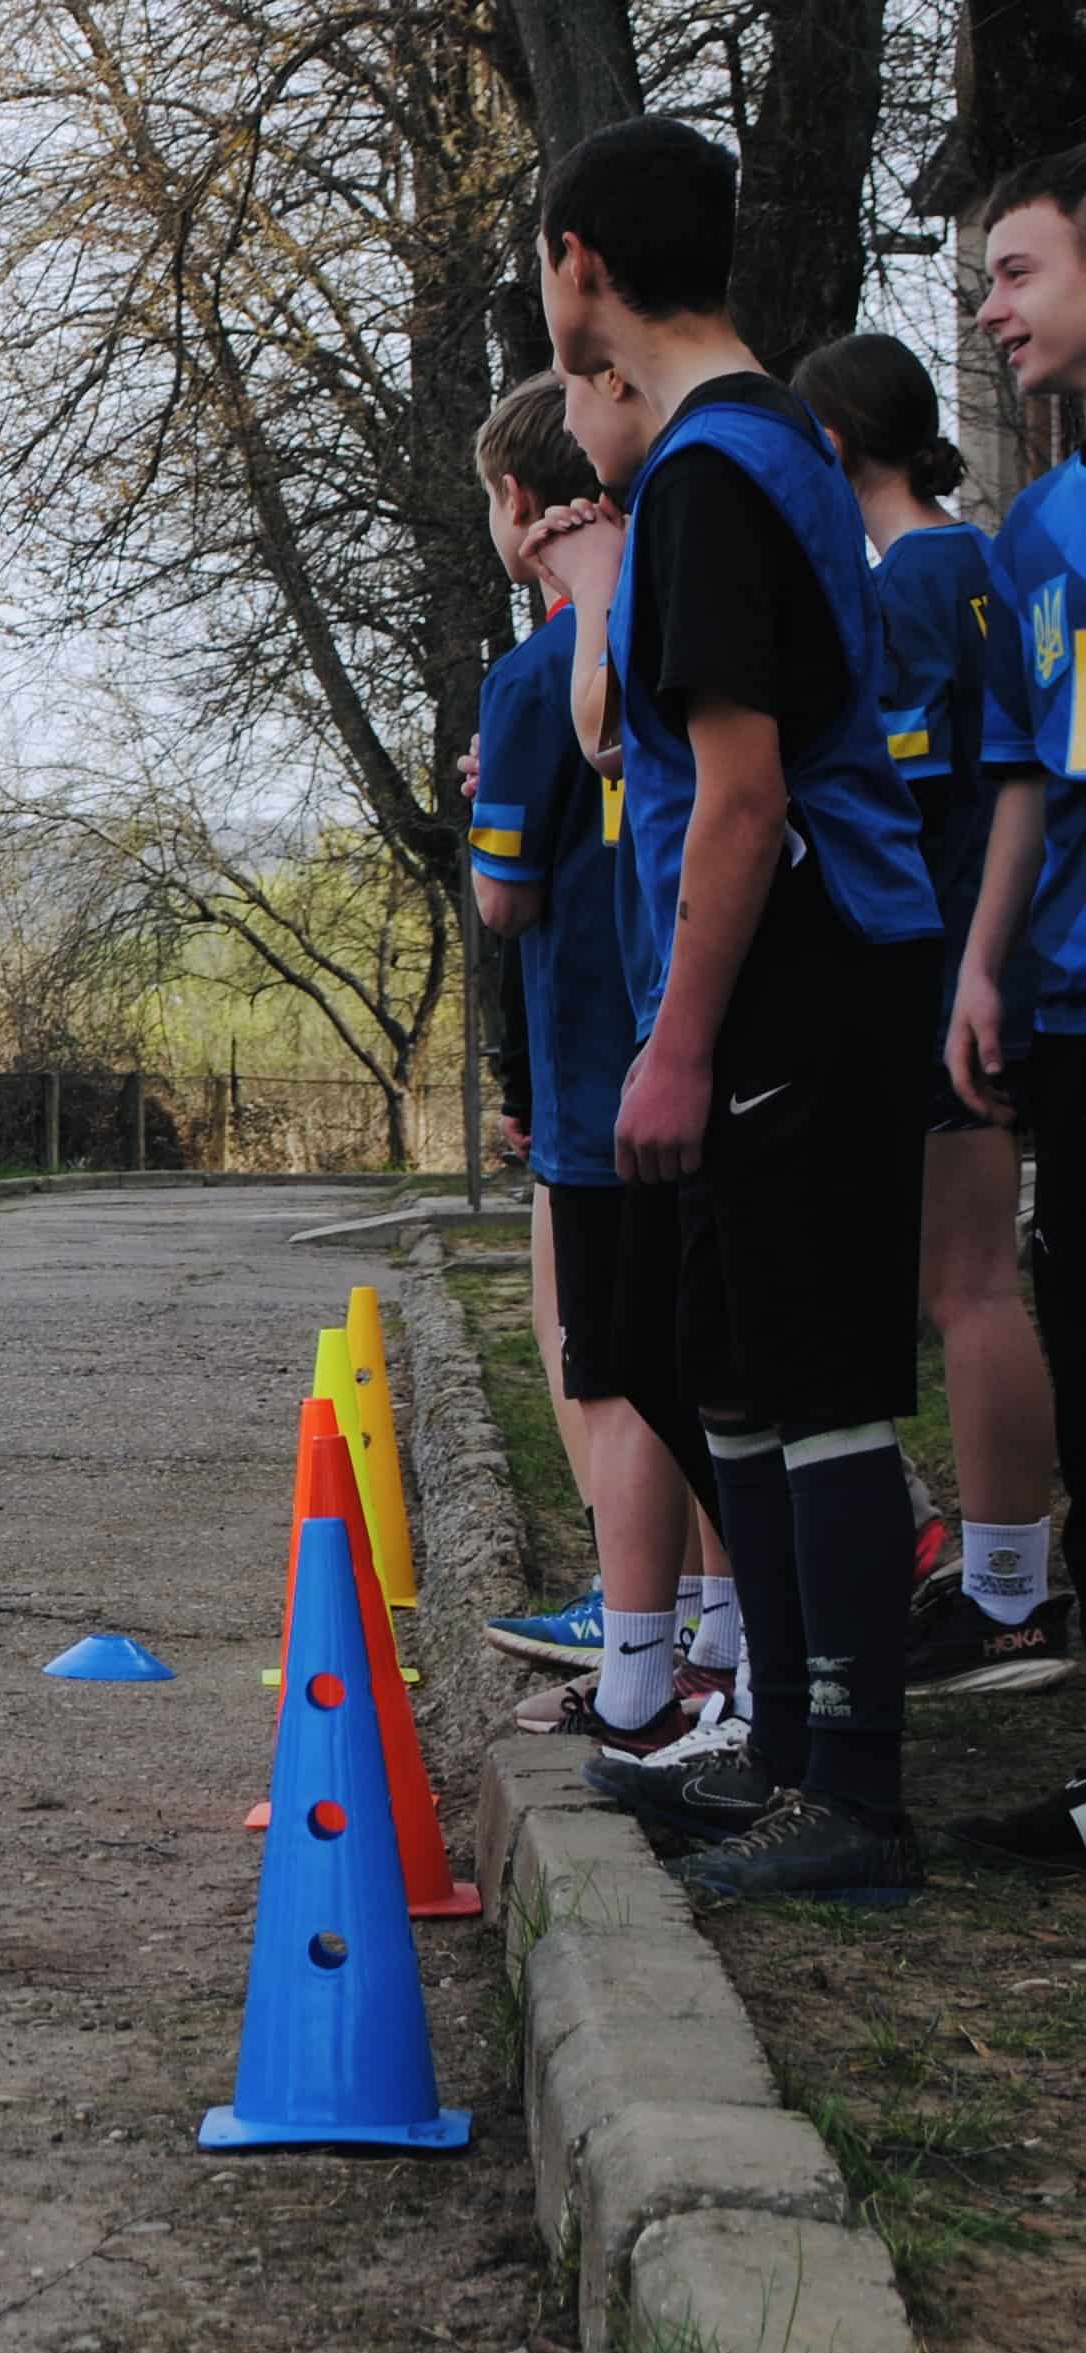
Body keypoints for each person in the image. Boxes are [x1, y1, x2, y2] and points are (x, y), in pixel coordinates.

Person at [530, 117, 948, 1906]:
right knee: (741, 1381)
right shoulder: (766, 439)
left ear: (581, 270)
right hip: (789, 980)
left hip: (798, 981)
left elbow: (742, 795)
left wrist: (676, 1038)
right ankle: (779, 1752)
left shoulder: (704, 472)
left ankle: (846, 1789)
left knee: (818, 1382)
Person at [793, 330, 1070, 1700]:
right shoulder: (985, 559)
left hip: (943, 972)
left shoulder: (911, 583)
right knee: (975, 1277)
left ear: (833, 447)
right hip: (989, 960)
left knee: (966, 1282)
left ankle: (1009, 1592)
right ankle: (1003, 1573)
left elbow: (890, 798)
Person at [463, 371, 717, 1748]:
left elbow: (506, 896)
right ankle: (717, 1638)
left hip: (584, 1061)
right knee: (707, 1361)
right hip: (688, 1036)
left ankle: (634, 1654)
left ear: (521, 505)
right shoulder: (675, 631)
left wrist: (489, 808)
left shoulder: (528, 674)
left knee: (605, 1368)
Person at [944, 141, 1086, 1870]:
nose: (985, 310)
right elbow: (1026, 776)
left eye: (1017, 271)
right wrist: (980, 963)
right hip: (1058, 1003)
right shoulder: (1040, 527)